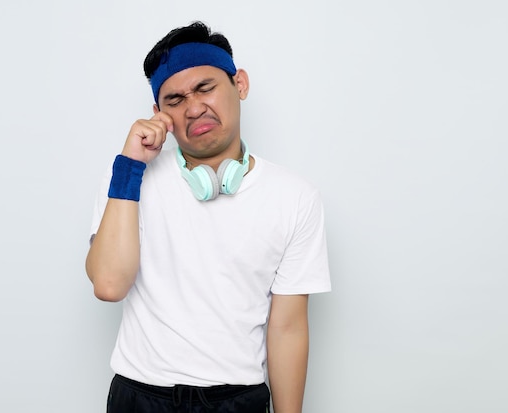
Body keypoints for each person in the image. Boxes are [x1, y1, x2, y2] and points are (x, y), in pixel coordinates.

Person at [86, 21, 331, 413]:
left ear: (240, 85)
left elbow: (287, 329)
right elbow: (110, 284)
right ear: (159, 114)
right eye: (175, 99)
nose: (194, 107)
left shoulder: (295, 197)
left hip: (237, 399)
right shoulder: (127, 179)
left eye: (205, 88)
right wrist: (130, 167)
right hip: (140, 397)